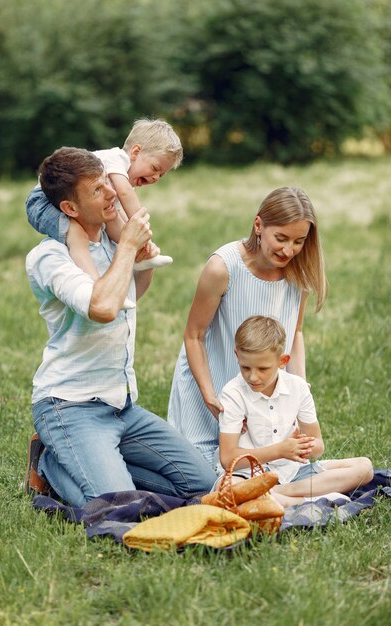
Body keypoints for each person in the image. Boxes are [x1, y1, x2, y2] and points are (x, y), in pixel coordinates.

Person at [24, 147, 216, 507]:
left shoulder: (111, 244)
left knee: (203, 486)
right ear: (69, 209)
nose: (113, 191)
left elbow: (132, 295)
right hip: (70, 406)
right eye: (98, 190)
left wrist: (139, 260)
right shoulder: (49, 258)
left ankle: (97, 462)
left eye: (107, 182)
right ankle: (50, 464)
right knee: (120, 508)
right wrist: (128, 246)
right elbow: (103, 308)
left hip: (122, 406)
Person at [168, 186, 327, 466]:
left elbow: (296, 332)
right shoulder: (223, 268)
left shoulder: (298, 273)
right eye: (281, 238)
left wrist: (299, 387)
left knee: (266, 466)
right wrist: (210, 397)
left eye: (299, 241)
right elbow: (194, 336)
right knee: (204, 475)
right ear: (258, 225)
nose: (289, 250)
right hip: (212, 383)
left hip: (262, 387)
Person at [216, 315, 374, 506]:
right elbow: (227, 458)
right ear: (237, 356)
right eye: (245, 367)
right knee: (229, 488)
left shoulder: (297, 387)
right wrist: (280, 450)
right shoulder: (232, 393)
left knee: (365, 467)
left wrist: (300, 448)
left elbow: (318, 446)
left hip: (293, 473)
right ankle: (309, 500)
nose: (253, 376)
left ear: (283, 361)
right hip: (247, 474)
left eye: (263, 368)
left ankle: (278, 494)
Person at [26, 118, 183, 309]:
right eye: (155, 168)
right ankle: (95, 288)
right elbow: (125, 196)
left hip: (65, 197)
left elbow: (119, 217)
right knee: (76, 234)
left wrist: (141, 243)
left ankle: (141, 257)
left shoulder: (121, 179)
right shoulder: (116, 160)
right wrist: (140, 222)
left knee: (116, 219)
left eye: (162, 174)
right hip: (43, 200)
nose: (156, 177)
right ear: (135, 152)